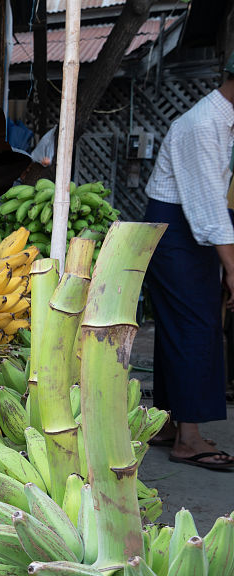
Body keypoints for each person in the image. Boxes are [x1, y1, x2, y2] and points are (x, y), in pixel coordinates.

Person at [142, 55, 234, 471]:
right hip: (177, 229)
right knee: (195, 325)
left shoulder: (222, 120)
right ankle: (188, 438)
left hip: (186, 228)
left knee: (180, 326)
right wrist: (233, 267)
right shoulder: (202, 125)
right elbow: (209, 208)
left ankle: (168, 423)